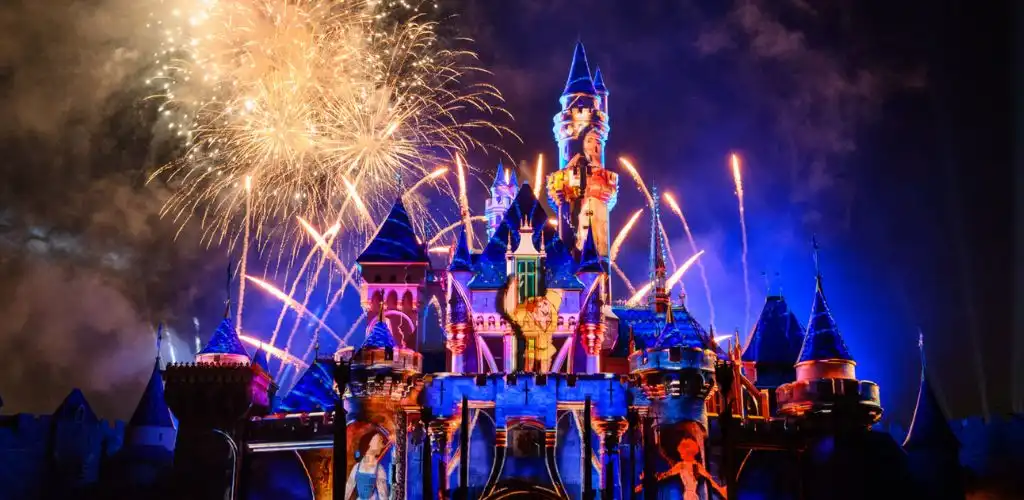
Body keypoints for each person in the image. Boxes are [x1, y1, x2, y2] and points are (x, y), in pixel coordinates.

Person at [345, 433, 389, 500]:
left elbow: (383, 495)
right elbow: (348, 488)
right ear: (370, 442)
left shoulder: (379, 469)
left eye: (381, 442)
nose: (381, 445)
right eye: (379, 440)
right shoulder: (357, 467)